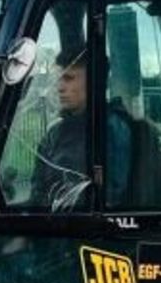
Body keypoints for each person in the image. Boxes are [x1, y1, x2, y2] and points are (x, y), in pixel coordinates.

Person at [33, 44, 132, 209]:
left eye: (69, 78)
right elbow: (36, 195)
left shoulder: (111, 130)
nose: (60, 88)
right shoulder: (54, 134)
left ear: (94, 82)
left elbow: (109, 201)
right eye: (59, 79)